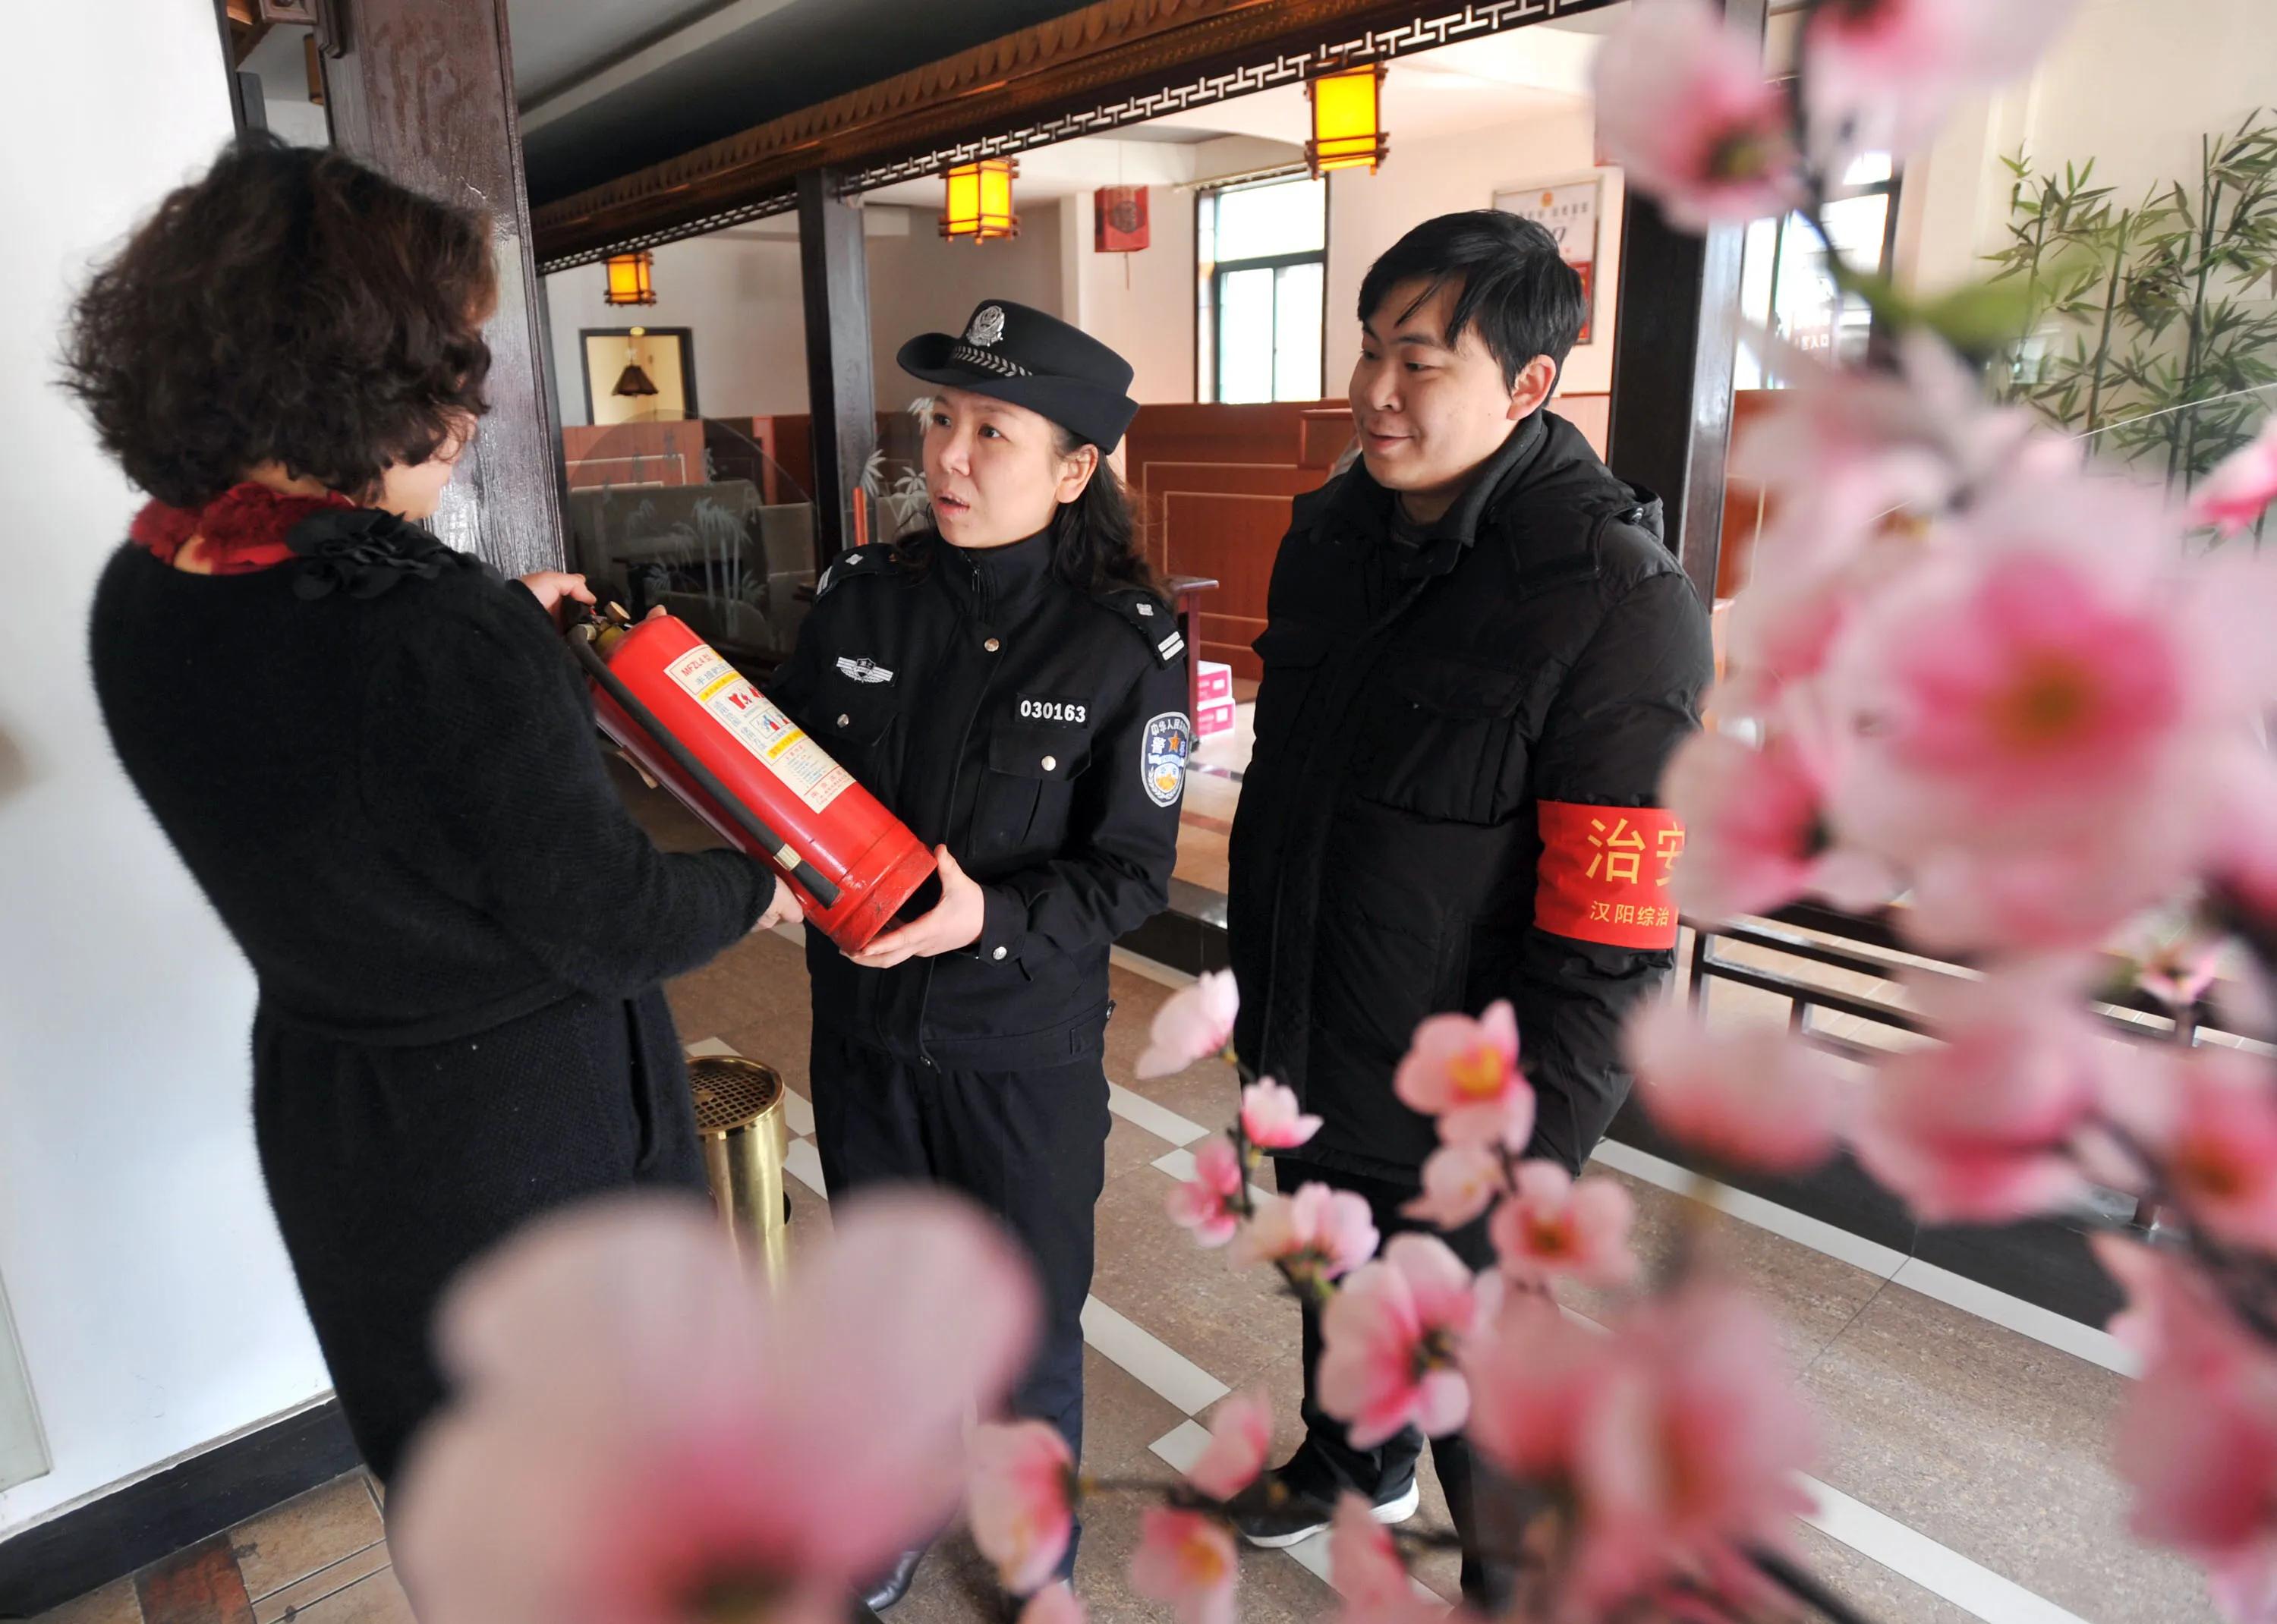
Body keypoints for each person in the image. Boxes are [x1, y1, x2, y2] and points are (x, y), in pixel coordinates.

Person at [69, 137, 796, 1486]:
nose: (467, 415)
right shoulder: (427, 637)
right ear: (360, 375)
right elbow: (613, 922)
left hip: (345, 1116)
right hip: (520, 1154)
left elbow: (328, 748)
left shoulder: (154, 584)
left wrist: (498, 647)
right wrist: (766, 872)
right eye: (450, 370)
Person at [1225, 211, 1715, 1603]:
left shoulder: (1615, 600)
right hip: (1316, 1028)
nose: (1377, 389)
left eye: (1421, 361)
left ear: (1528, 387)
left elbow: (1615, 945)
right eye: (1371, 349)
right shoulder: (1329, 537)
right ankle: (1346, 1457)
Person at [767, 299, 1188, 1613]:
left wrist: (986, 921)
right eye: (939, 420)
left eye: (992, 431)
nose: (946, 455)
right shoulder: (859, 602)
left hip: (1022, 1054)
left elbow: (1130, 876)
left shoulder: (1127, 647)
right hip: (866, 1039)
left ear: (1073, 473)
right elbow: (780, 771)